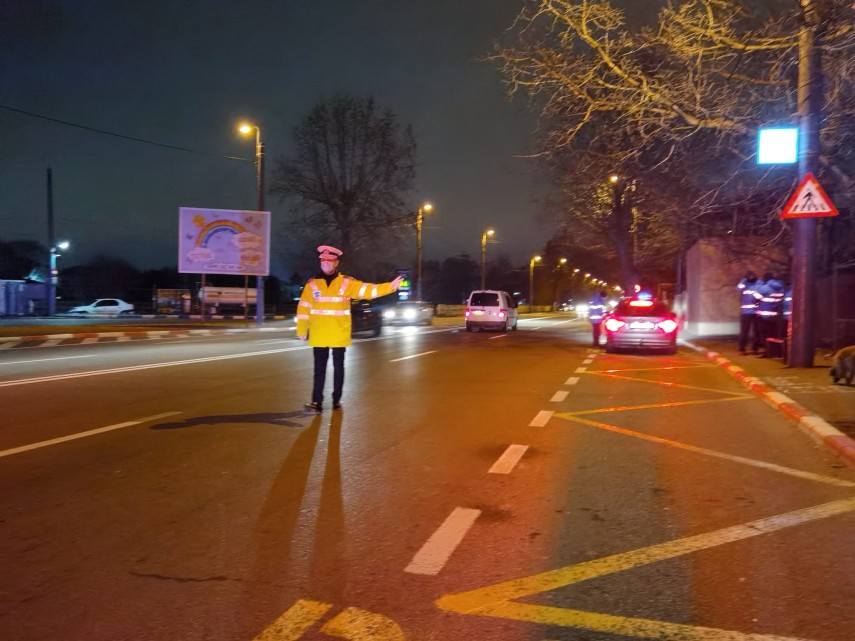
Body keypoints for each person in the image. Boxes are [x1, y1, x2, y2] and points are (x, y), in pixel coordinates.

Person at [296, 245, 403, 413]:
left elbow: (368, 290)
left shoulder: (346, 283)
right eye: (323, 261)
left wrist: (389, 287)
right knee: (319, 370)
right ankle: (316, 402)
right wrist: (301, 329)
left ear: (336, 262)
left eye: (329, 261)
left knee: (339, 368)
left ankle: (336, 400)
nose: (325, 263)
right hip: (319, 334)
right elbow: (303, 308)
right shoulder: (312, 285)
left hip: (339, 333)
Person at [756, 271, 784, 356]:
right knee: (774, 334)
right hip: (775, 315)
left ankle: (767, 351)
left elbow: (756, 298)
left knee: (765, 334)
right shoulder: (780, 288)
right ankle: (774, 351)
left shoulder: (764, 288)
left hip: (764, 316)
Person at [736, 271, 763, 355]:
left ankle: (754, 348)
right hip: (747, 312)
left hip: (755, 311)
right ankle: (742, 348)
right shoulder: (744, 283)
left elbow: (761, 296)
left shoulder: (759, 283)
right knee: (745, 331)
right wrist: (743, 280)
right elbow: (738, 288)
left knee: (756, 331)